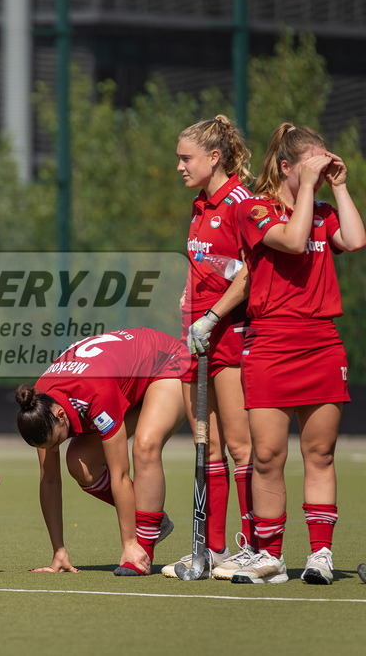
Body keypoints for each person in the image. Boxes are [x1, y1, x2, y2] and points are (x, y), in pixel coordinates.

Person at [229, 124, 364, 585]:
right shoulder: (254, 209)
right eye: (313, 165)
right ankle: (270, 556)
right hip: (270, 344)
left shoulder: (324, 210)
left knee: (320, 453)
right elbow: (291, 239)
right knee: (267, 456)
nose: (322, 173)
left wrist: (340, 186)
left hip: (322, 343)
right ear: (285, 166)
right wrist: (306, 186)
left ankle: (321, 555)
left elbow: (356, 239)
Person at [15, 328, 188, 576]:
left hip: (167, 361)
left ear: (61, 415)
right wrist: (58, 551)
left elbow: (119, 474)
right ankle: (154, 522)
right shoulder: (40, 404)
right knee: (79, 464)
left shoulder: (95, 392)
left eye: (55, 443)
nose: (52, 450)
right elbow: (50, 480)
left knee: (145, 445)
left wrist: (129, 543)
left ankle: (141, 548)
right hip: (126, 382)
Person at [165, 115, 256, 580]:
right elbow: (200, 262)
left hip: (229, 332)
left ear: (214, 157)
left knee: (241, 446)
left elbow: (248, 272)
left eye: (186, 158)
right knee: (209, 444)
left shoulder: (241, 202)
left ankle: (255, 547)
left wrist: (214, 315)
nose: (179, 166)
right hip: (197, 334)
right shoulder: (201, 204)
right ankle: (212, 549)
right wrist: (187, 302)